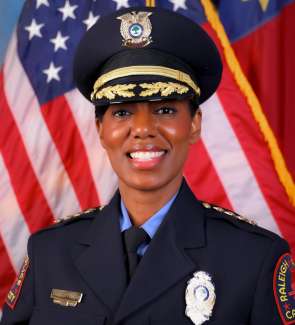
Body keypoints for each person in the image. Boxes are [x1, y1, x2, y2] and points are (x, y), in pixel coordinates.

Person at [1, 6, 293, 325]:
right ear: (100, 129)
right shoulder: (50, 254)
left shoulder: (254, 259)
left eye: (165, 109)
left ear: (194, 124)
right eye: (122, 112)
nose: (143, 128)